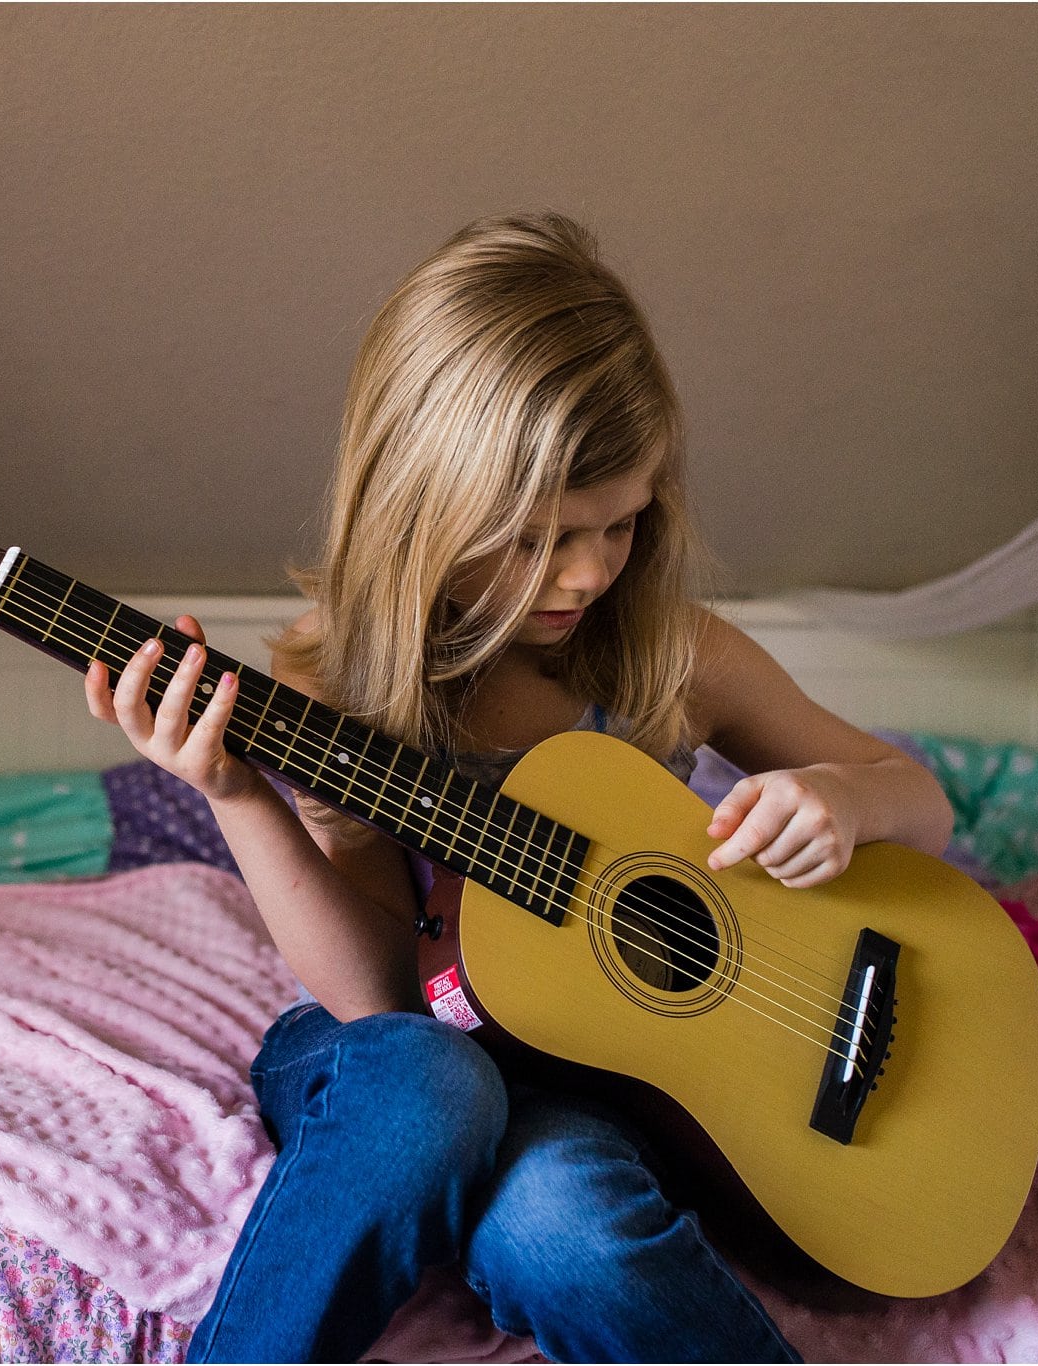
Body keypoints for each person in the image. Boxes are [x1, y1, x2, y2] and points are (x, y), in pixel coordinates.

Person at [81, 212, 955, 1363]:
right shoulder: (336, 684)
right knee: (430, 1085)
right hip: (400, 1054)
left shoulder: (673, 658)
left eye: (621, 525)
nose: (590, 572)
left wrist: (843, 803)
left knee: (559, 1224)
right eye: (538, 540)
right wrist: (238, 796)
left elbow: (922, 803)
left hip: (597, 1086)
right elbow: (376, 993)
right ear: (418, 511)